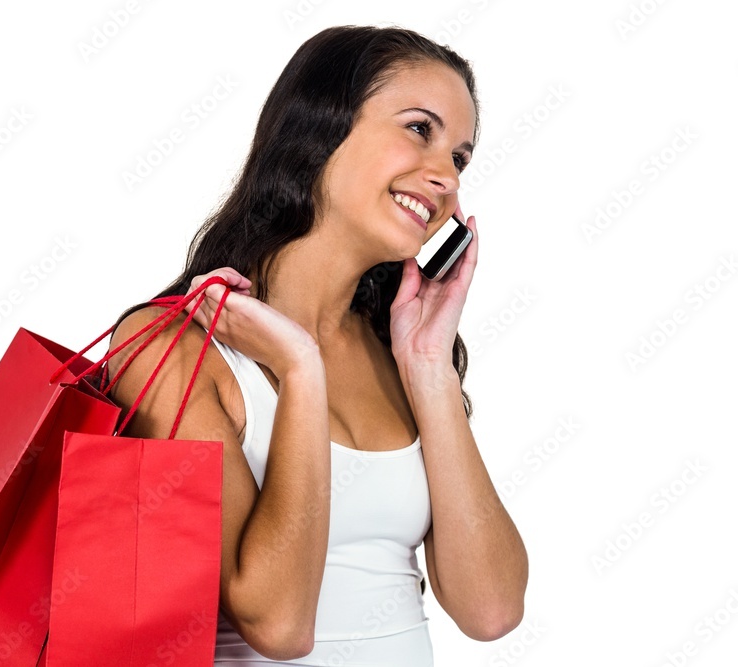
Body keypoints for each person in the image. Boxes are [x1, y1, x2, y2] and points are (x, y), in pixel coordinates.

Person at [104, 24, 528, 666]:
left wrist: (429, 368)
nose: (446, 177)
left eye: (461, 159)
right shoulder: (170, 349)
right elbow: (276, 625)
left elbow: (490, 609)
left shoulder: (400, 352)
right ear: (320, 127)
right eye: (420, 130)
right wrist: (300, 370)